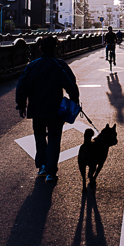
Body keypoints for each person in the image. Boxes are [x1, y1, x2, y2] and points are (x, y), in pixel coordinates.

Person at [15, 35, 80, 183]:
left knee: (39, 137)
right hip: (55, 110)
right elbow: (71, 84)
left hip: (36, 109)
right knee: (54, 139)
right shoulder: (60, 65)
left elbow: (22, 86)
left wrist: (21, 105)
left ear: (40, 48)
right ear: (55, 48)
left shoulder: (32, 66)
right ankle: (51, 171)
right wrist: (74, 101)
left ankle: (42, 166)